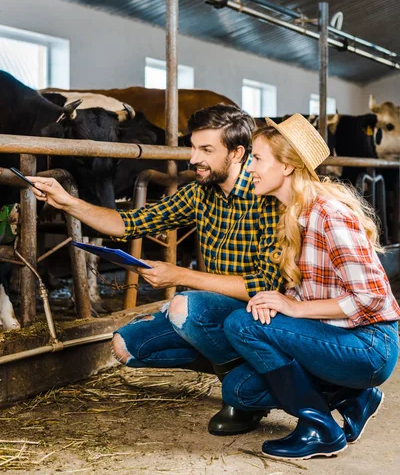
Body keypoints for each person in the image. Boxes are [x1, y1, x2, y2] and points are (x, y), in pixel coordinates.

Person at [29, 103, 285, 435]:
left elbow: (265, 285)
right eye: (193, 147)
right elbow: (128, 223)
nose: (193, 159)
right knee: (127, 346)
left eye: (206, 149)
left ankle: (245, 393)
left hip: (259, 313)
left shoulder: (266, 194)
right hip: (215, 307)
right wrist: (67, 202)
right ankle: (244, 367)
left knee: (185, 308)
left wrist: (178, 275)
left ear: (237, 153)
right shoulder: (199, 193)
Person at [215, 113, 400, 460]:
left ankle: (320, 429)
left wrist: (295, 309)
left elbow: (373, 297)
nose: (249, 168)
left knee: (240, 324)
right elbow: (313, 290)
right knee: (239, 390)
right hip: (337, 337)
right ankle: (354, 398)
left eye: (256, 158)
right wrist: (283, 301)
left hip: (369, 344)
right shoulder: (296, 213)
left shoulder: (328, 214)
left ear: (286, 167)